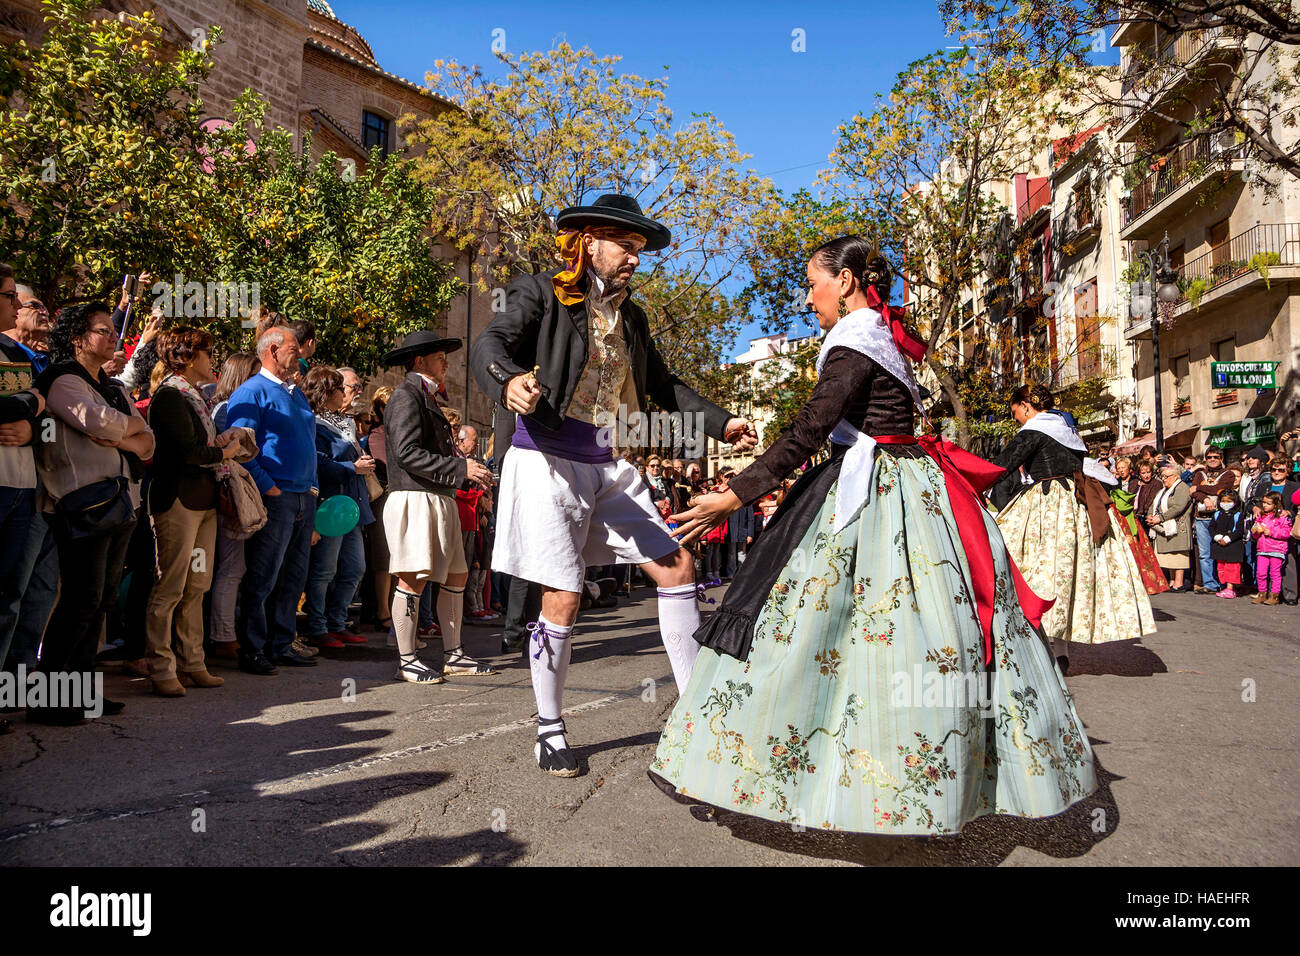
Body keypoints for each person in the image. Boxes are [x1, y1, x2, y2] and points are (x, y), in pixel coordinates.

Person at [653, 237, 1094, 834]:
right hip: (906, 487)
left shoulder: (856, 338)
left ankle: (765, 770)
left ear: (850, 280)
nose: (810, 298)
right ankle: (930, 778)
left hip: (876, 490)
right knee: (898, 635)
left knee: (806, 631)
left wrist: (733, 496)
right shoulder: (880, 336)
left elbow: (811, 428)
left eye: (815, 283)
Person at [469, 193, 757, 777]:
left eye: (640, 250)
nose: (634, 258)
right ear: (587, 242)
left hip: (609, 460)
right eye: (625, 246)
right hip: (545, 458)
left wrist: (720, 420)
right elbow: (490, 344)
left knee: (676, 566)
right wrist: (508, 384)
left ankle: (694, 715)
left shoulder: (633, 316)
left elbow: (663, 385)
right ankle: (550, 728)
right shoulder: (540, 292)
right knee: (564, 596)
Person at [31, 302, 155, 724]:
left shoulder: (113, 386)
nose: (112, 337)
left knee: (101, 600)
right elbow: (103, 424)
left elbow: (146, 440)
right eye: (102, 330)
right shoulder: (64, 380)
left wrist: (124, 434)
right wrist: (124, 431)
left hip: (121, 501)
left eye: (109, 329)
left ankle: (81, 694)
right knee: (80, 600)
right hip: (80, 501)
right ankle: (50, 699)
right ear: (77, 338)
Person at [992, 383, 1154, 670]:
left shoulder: (1034, 431)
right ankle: (1060, 651)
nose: (1015, 417)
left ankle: (1036, 647)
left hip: (1048, 504)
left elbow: (1000, 466)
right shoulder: (1068, 433)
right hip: (1075, 505)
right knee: (1063, 576)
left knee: (1022, 566)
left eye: (1015, 411)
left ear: (1027, 406)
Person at [382, 331, 496, 682]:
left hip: (438, 498)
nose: (447, 362)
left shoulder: (424, 395)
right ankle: (407, 659)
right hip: (415, 498)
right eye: (439, 356)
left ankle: (454, 654)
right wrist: (461, 468)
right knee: (413, 577)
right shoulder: (406, 395)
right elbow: (406, 453)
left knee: (457, 575)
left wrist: (464, 474)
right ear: (419, 361)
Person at [144, 327, 239, 696]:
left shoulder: (195, 398)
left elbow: (199, 445)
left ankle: (193, 662)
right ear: (187, 356)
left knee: (197, 585)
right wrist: (223, 453)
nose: (211, 359)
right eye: (207, 352)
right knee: (170, 586)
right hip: (178, 502)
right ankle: (161, 665)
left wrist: (222, 443)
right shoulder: (170, 396)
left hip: (203, 503)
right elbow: (185, 452)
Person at [227, 326, 319, 675]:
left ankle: (281, 643)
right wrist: (269, 487)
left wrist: (311, 487)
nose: (300, 356)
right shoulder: (251, 393)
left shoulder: (294, 393)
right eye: (294, 350)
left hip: (302, 497)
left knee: (293, 577)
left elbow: (307, 442)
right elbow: (240, 445)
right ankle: (252, 648)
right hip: (276, 497)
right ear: (273, 351)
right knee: (263, 575)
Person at [303, 366, 376, 649]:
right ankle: (318, 626)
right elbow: (318, 461)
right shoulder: (316, 423)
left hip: (352, 506)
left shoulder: (346, 422)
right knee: (325, 570)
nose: (354, 393)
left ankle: (337, 621)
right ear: (327, 392)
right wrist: (351, 467)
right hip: (331, 505)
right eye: (347, 388)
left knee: (355, 568)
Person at [0, 264, 45, 699]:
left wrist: (32, 425)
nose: (16, 305)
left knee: (10, 596)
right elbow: (14, 406)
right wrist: (29, 404)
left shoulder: (15, 356)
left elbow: (37, 412)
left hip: (21, 488)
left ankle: (6, 691)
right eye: (10, 295)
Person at [1188, 447, 1236, 593]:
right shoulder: (1199, 474)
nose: (1212, 459)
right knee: (1204, 553)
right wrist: (1205, 498)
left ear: (1221, 458)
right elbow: (1193, 493)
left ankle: (1223, 583)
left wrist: (1200, 488)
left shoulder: (1228, 474)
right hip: (1201, 518)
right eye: (1209, 457)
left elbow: (1221, 490)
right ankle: (1209, 584)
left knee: (1221, 551)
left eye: (1215, 457)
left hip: (1220, 518)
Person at [1146, 462, 1194, 592]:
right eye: (1162, 476)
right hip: (1164, 528)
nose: (1163, 479)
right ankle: (1172, 581)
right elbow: (1153, 505)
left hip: (1178, 527)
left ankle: (1179, 583)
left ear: (1176, 476)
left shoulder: (1182, 488)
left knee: (1177, 555)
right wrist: (1150, 516)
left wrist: (1160, 518)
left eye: (1166, 476)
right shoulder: (1163, 490)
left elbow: (1178, 507)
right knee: (1169, 556)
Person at [1250, 491, 1293, 605]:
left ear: (1276, 504)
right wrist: (1255, 531)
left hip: (1276, 549)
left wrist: (1272, 532)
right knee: (1261, 573)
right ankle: (1262, 594)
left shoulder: (1282, 517)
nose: (1264, 505)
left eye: (1268, 503)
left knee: (1275, 573)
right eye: (1263, 502)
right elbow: (1255, 534)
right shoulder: (1261, 517)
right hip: (1262, 549)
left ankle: (1274, 596)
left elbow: (1287, 533)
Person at [1210, 491, 1246, 599]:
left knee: (1232, 567)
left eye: (1229, 501)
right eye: (1223, 501)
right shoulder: (1216, 514)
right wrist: (1217, 537)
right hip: (1219, 545)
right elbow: (1211, 528)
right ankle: (1224, 586)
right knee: (1221, 567)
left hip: (1233, 546)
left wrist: (1228, 538)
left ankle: (1230, 588)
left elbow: (1239, 531)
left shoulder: (1238, 515)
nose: (1225, 503)